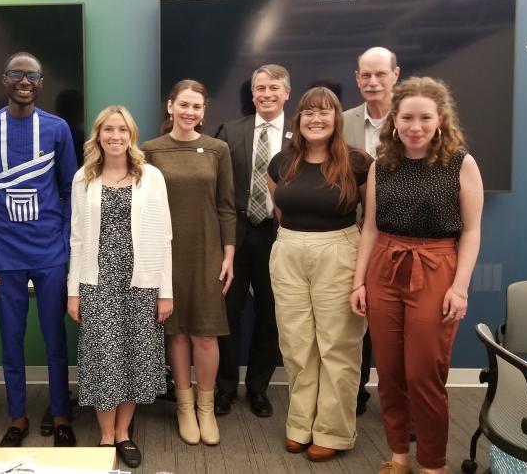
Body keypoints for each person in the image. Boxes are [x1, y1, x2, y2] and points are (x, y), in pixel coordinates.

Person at [350, 77, 483, 474]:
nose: (415, 126)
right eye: (407, 117)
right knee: (389, 372)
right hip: (384, 266)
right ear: (394, 119)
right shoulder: (382, 164)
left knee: (424, 374)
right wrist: (358, 281)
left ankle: (432, 464)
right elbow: (370, 227)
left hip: (437, 267)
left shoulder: (460, 161)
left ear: (440, 118)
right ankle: (399, 456)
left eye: (424, 117)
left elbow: (472, 231)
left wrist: (459, 289)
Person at [0, 52, 78, 447]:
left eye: (32, 75)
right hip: (3, 256)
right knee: (11, 339)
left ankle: (61, 413)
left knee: (55, 338)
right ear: (4, 79)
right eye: (17, 74)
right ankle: (17, 417)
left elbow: (71, 190)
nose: (24, 81)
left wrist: (66, 245)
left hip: (51, 254)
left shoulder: (58, 128)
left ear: (41, 82)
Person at [266, 87, 372, 462]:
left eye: (325, 112)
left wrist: (360, 274)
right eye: (309, 112)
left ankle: (333, 431)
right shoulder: (281, 162)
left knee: (338, 346)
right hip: (289, 249)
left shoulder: (359, 163)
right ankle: (300, 425)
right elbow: (280, 206)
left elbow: (370, 221)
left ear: (336, 118)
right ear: (299, 119)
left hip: (339, 250)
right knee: (296, 345)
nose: (316, 119)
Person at [67, 105, 173, 468]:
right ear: (98, 135)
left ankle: (124, 433)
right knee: (103, 359)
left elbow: (164, 238)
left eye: (122, 130)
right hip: (97, 281)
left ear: (132, 136)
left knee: (132, 358)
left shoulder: (151, 176)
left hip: (140, 281)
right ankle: (106, 435)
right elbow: (77, 238)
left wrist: (165, 291)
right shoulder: (84, 177)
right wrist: (74, 290)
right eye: (108, 130)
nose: (115, 136)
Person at [141, 79, 235, 446]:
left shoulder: (217, 149)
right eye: (184, 104)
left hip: (208, 251)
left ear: (203, 111)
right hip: (165, 253)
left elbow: (226, 206)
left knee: (206, 334)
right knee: (176, 332)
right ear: (170, 106)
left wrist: (229, 254)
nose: (190, 112)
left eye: (197, 106)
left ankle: (206, 407)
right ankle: (184, 405)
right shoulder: (150, 150)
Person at [214, 64, 292, 418]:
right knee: (228, 313)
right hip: (236, 234)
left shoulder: (301, 134)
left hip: (280, 237)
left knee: (270, 313)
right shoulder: (231, 131)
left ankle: (259, 388)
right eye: (260, 88)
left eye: (273, 88)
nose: (266, 94)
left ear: (286, 92)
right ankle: (226, 387)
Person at [343, 47, 401, 415]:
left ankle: (402, 405)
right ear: (357, 78)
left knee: (401, 328)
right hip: (353, 233)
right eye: (366, 75)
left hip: (402, 236)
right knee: (355, 319)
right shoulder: (343, 122)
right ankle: (357, 395)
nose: (373, 81)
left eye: (380, 74)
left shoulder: (414, 118)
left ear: (396, 74)